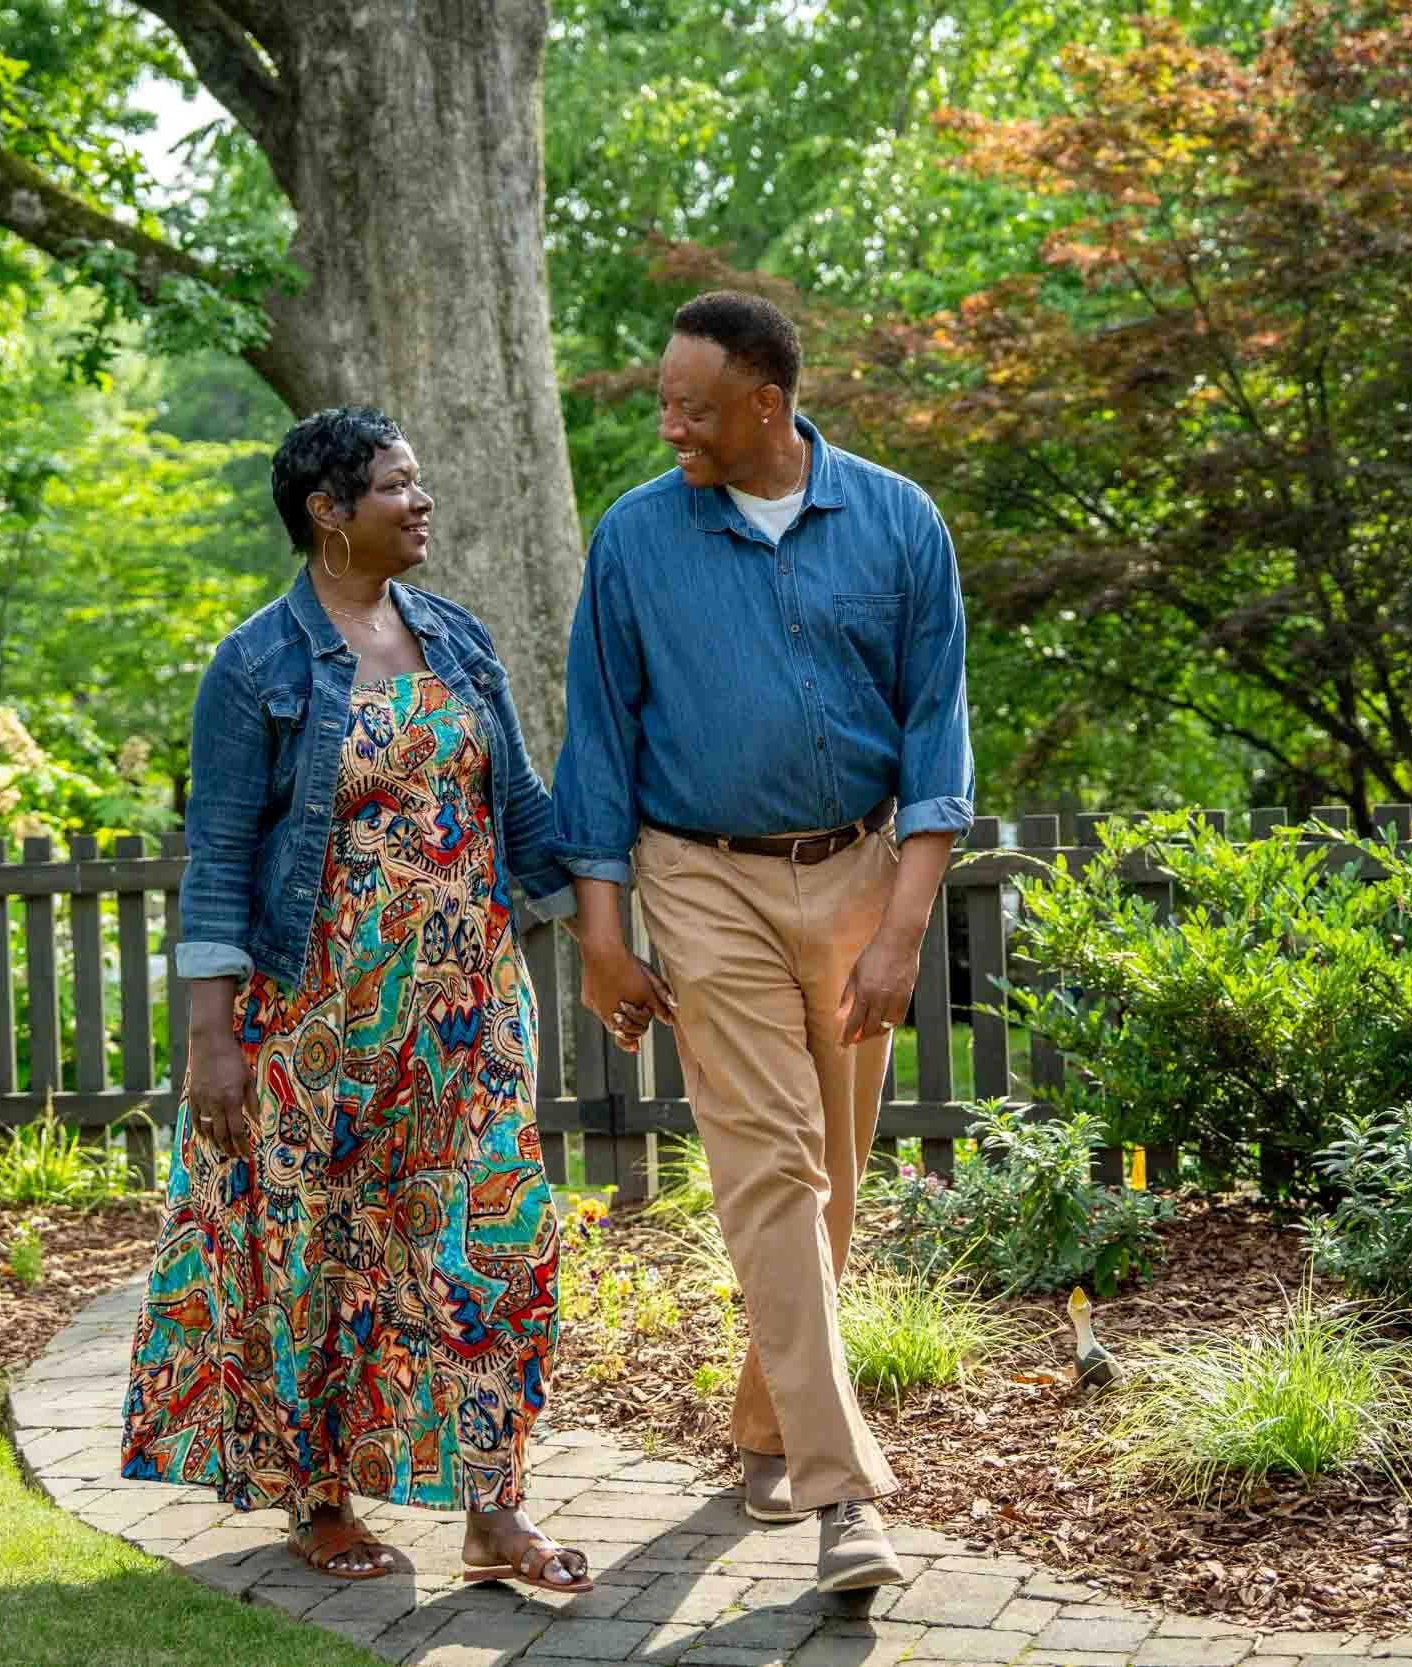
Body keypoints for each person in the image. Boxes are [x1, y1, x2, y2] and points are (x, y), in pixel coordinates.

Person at [122, 405, 669, 1590]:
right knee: (317, 1255)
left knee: (496, 1244)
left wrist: (602, 940)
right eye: (396, 487)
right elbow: (217, 854)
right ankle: (318, 1498)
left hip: (468, 1014)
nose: (421, 503)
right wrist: (210, 1042)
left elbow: (521, 810)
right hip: (314, 1028)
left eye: (417, 486)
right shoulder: (258, 663)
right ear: (327, 511)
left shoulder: (458, 641)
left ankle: (493, 1508)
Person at [556, 291, 975, 1594]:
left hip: (855, 871)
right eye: (664, 402)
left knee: (833, 1180)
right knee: (774, 1170)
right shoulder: (635, 539)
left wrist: (905, 928)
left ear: (768, 405)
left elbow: (937, 742)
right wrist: (605, 936)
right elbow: (599, 744)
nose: (669, 423)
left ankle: (764, 1424)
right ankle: (847, 1495)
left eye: (691, 405)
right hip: (701, 876)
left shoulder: (900, 522)